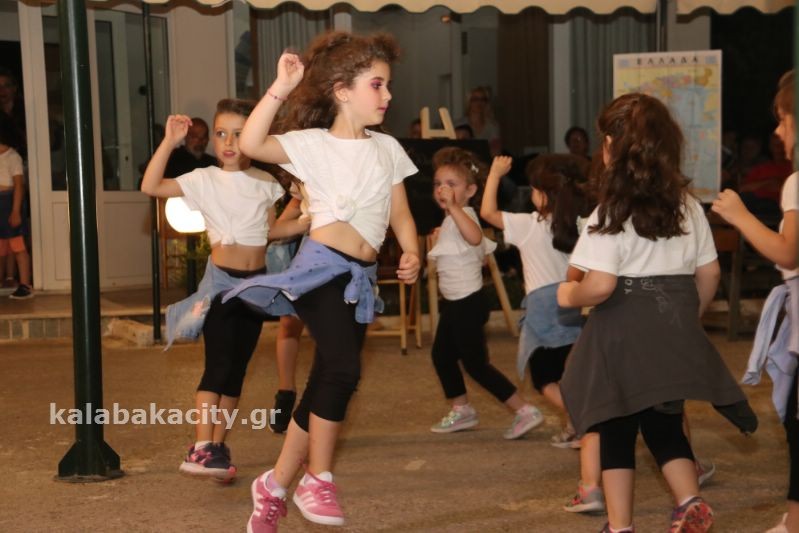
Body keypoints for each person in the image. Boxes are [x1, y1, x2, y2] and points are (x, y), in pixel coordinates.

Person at [224, 31, 421, 532]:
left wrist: (412, 250)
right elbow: (250, 143)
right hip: (319, 269)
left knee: (323, 384)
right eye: (377, 84)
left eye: (388, 85)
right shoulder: (310, 146)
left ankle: (274, 485)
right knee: (343, 369)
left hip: (360, 279)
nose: (388, 94)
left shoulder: (388, 148)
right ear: (342, 91)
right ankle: (319, 477)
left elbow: (399, 212)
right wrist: (281, 87)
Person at [557, 93, 757, 533]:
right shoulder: (687, 206)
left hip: (621, 338)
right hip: (671, 329)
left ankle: (620, 525)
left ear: (610, 148)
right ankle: (689, 500)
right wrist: (686, 318)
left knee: (615, 430)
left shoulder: (609, 211)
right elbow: (709, 273)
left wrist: (568, 294)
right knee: (665, 427)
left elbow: (601, 284)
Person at [140, 99, 301, 482]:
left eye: (240, 134)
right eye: (221, 133)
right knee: (218, 366)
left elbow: (269, 231)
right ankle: (200, 446)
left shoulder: (265, 183)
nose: (229, 142)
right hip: (222, 286)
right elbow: (150, 186)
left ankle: (216, 446)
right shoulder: (203, 179)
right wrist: (170, 142)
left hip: (255, 287)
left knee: (237, 372)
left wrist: (308, 221)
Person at [713, 70, 798, 533]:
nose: (778, 131)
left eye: (784, 119)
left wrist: (740, 216)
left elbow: (788, 252)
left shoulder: (796, 182)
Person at [426, 147, 543, 439]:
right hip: (454, 303)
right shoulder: (451, 219)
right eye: (438, 183)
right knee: (441, 355)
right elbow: (471, 254)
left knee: (476, 365)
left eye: (451, 184)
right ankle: (462, 409)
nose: (442, 189)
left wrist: (454, 210)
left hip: (467, 303)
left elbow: (475, 236)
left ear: (470, 190)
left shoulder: (464, 214)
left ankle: (523, 409)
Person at [265, 194, 306, 434]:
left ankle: (319, 398)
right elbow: (277, 228)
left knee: (329, 333)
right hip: (302, 256)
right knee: (290, 323)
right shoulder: (304, 186)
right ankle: (286, 391)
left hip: (338, 254)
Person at [0, 113, 32, 299]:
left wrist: (15, 211)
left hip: (9, 202)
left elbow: (19, 185)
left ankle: (25, 285)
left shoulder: (13, 156)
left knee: (18, 245)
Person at [739, 132, 793, 223]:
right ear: (770, 146)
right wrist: (767, 183)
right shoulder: (761, 168)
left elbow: (784, 188)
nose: (778, 147)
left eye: (780, 144)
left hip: (778, 209)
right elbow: (743, 188)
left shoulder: (792, 167)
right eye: (775, 144)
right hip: (753, 207)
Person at [462, 86, 501, 156]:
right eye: (475, 99)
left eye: (483, 99)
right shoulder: (460, 124)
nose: (479, 103)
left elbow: (496, 150)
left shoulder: (492, 126)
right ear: (469, 102)